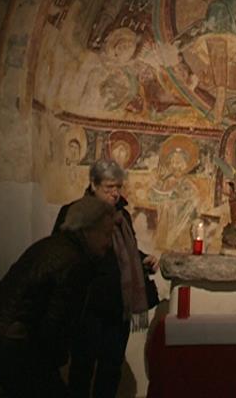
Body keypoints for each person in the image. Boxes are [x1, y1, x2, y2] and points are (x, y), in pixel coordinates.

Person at [0, 196, 116, 397]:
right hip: (10, 347)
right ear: (86, 229)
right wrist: (53, 367)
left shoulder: (54, 245)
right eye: (106, 234)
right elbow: (55, 322)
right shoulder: (74, 261)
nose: (109, 243)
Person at [53, 159, 160, 398]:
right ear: (93, 185)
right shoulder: (74, 213)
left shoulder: (122, 216)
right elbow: (60, 253)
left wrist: (142, 258)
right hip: (87, 304)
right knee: (82, 367)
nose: (115, 193)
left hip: (117, 305)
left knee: (111, 368)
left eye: (118, 187)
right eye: (108, 188)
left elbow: (126, 251)